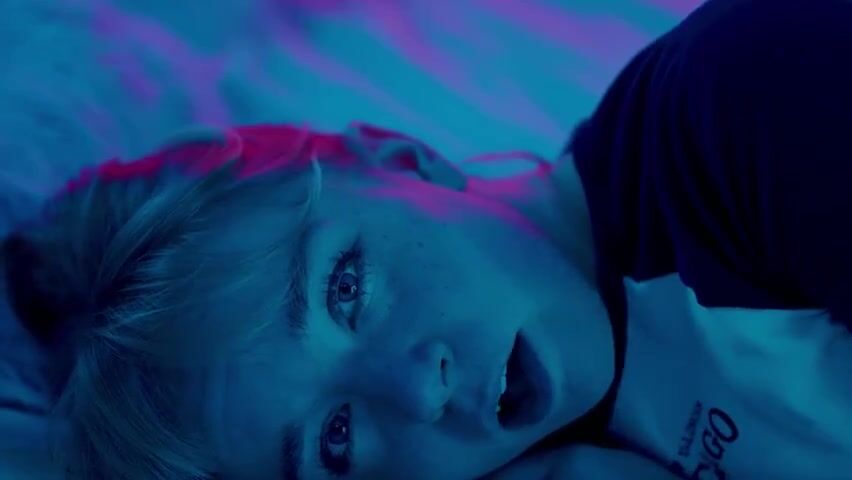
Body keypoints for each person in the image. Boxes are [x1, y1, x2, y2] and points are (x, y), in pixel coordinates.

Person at [2, 0, 851, 478]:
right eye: (335, 443)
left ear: (402, 160)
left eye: (345, 288)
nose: (417, 389)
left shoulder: (744, 100)